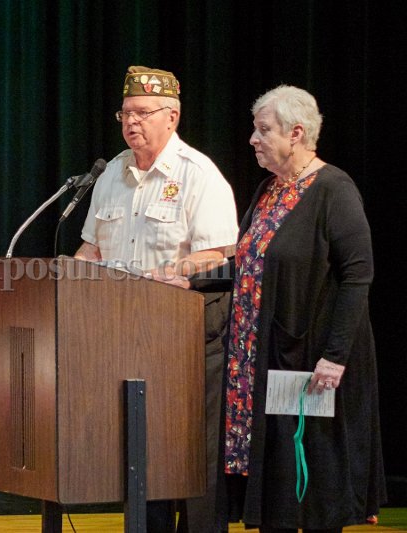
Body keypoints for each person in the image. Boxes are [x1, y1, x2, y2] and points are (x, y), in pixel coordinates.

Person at [74, 66, 238, 533]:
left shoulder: (198, 174)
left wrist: (168, 272)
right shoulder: (111, 174)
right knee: (142, 456)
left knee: (192, 455)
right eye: (126, 113)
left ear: (172, 116)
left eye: (143, 113)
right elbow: (92, 248)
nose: (132, 122)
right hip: (124, 336)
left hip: (185, 338)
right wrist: (67, 272)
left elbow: (220, 254)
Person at [214, 85, 386, 531]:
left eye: (263, 130)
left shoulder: (333, 189)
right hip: (268, 360)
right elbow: (249, 261)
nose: (253, 139)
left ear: (296, 133)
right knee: (280, 487)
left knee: (314, 483)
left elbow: (358, 276)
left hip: (312, 361)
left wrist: (335, 356)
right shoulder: (269, 190)